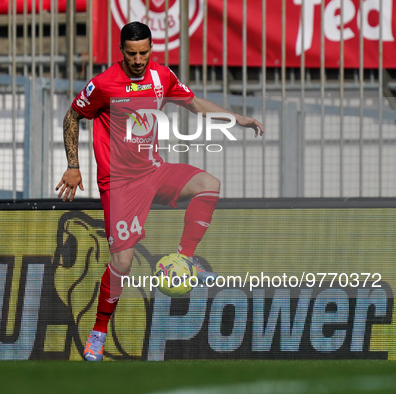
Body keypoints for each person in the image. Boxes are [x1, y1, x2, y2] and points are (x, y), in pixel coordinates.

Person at [55, 21, 264, 361]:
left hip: (152, 171)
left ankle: (184, 257)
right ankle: (98, 332)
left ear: (151, 49)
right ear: (121, 51)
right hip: (120, 183)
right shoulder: (104, 84)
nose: (138, 59)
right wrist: (74, 165)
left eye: (144, 52)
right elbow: (71, 117)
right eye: (131, 53)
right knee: (121, 262)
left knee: (209, 185)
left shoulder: (161, 76)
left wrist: (236, 117)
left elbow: (194, 104)